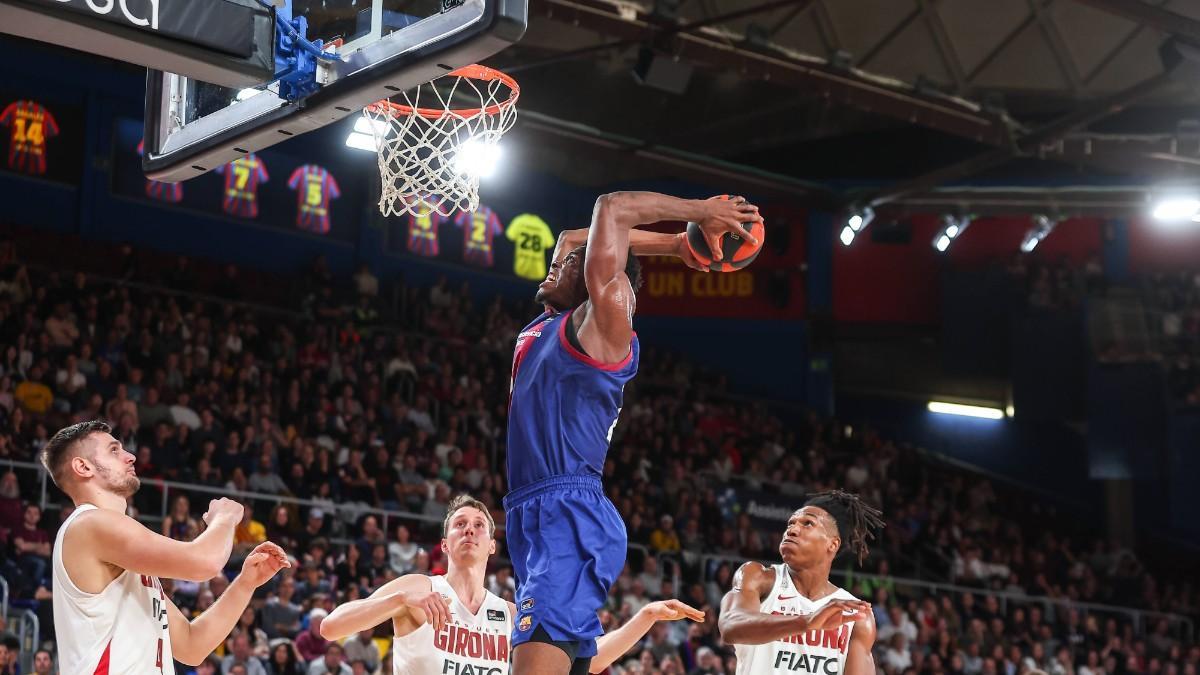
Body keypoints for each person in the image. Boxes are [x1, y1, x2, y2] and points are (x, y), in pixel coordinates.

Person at [504, 192, 761, 675]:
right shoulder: (550, 321)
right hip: (533, 511)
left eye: (571, 265)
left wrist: (700, 213)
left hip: (569, 514)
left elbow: (610, 207)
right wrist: (680, 247)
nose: (556, 263)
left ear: (599, 277)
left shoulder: (604, 318)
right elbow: (572, 236)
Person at [321, 494, 704, 675]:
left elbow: (584, 659)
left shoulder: (509, 613)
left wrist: (645, 616)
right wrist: (399, 598)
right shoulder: (418, 588)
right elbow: (331, 626)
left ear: (492, 544)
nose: (468, 529)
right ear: (445, 544)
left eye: (478, 525)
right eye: (459, 524)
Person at [40, 420, 290, 673]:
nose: (130, 456)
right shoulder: (90, 523)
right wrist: (224, 518)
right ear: (83, 466)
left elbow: (193, 646)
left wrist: (246, 583)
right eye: (114, 450)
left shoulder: (125, 558)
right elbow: (204, 563)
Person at [718, 490, 884, 675]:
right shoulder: (759, 577)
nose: (792, 529)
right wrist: (806, 622)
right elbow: (730, 626)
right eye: (791, 523)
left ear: (832, 544)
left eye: (808, 523)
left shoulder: (855, 615)